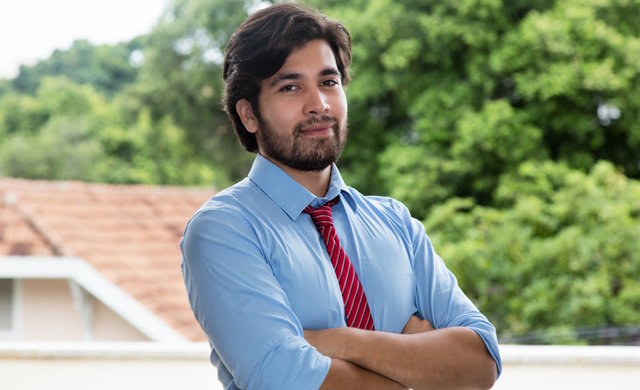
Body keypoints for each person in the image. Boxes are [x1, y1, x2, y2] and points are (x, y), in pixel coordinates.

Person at [181, 3, 501, 390]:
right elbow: (282, 378)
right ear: (248, 115)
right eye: (290, 87)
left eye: (329, 82)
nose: (319, 104)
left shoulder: (394, 221)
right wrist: (414, 353)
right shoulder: (223, 230)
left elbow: (480, 362)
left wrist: (334, 341)